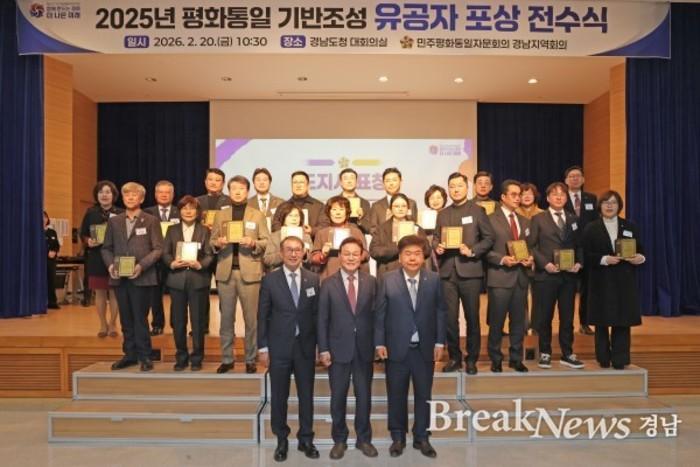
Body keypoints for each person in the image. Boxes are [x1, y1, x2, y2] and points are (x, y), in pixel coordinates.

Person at [375, 235, 446, 458]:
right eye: (407, 254)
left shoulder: (433, 279)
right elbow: (380, 314)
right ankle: (398, 437)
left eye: (417, 254)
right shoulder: (387, 279)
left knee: (424, 394)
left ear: (423, 257)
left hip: (424, 348)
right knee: (396, 394)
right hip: (396, 348)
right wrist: (379, 342)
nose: (412, 258)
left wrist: (439, 341)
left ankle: (422, 437)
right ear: (400, 257)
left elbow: (440, 311)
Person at [258, 235, 321, 462]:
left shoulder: (313, 279)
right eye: (289, 250)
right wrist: (263, 347)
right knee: (279, 396)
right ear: (281, 253)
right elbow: (262, 316)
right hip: (279, 347)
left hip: (305, 347)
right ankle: (281, 439)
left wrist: (319, 345)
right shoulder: (270, 280)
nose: (294, 254)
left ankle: (306, 439)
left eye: (297, 250)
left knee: (306, 395)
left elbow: (317, 315)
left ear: (304, 253)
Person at [318, 237, 378, 459]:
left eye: (355, 253)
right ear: (340, 256)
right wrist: (323, 348)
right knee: (338, 397)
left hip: (364, 349)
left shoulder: (372, 282)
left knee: (364, 397)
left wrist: (378, 344)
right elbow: (322, 319)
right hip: (337, 350)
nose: (351, 257)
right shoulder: (328, 283)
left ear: (362, 256)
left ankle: (364, 439)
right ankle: (339, 440)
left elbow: (377, 316)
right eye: (346, 253)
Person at [433, 172, 495, 374]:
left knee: (472, 318)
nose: (455, 189)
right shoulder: (443, 213)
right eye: (452, 186)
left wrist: (473, 250)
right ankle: (455, 358)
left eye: (459, 186)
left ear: (467, 187)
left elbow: (489, 238)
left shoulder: (477, 211)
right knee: (450, 319)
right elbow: (436, 238)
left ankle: (472, 359)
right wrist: (437, 247)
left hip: (470, 271)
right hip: (447, 273)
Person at [211, 175, 270, 374]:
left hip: (250, 272)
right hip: (226, 272)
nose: (237, 192)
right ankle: (227, 359)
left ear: (247, 191)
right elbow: (211, 242)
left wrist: (253, 243)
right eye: (234, 188)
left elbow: (266, 242)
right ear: (229, 191)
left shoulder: (257, 215)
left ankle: (250, 359)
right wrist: (218, 243)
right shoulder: (221, 215)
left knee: (251, 320)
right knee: (226, 319)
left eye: (241, 188)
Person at [102, 182, 163, 372]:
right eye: (126, 194)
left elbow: (158, 249)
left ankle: (145, 356)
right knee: (125, 318)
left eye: (134, 195)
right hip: (119, 277)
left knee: (140, 318)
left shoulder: (151, 220)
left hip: (142, 277)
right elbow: (106, 248)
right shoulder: (114, 221)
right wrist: (110, 265)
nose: (130, 197)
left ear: (141, 199)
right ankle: (129, 355)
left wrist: (141, 266)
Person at [582, 191, 645, 369]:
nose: (609, 206)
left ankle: (620, 358)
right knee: (601, 322)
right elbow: (585, 255)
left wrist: (639, 258)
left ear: (619, 206)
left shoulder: (629, 226)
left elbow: (641, 250)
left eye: (613, 203)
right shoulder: (591, 228)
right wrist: (604, 259)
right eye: (606, 202)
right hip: (601, 280)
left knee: (623, 321)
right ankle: (603, 357)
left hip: (624, 280)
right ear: (600, 206)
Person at [528, 182, 585, 370]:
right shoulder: (538, 219)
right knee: (545, 317)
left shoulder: (574, 219)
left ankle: (567, 353)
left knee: (567, 317)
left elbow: (579, 245)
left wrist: (579, 263)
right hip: (546, 276)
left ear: (567, 198)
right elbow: (532, 246)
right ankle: (545, 353)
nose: (559, 197)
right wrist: (545, 264)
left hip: (568, 277)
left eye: (562, 194)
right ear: (548, 198)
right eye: (555, 194)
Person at [161, 196, 214, 371]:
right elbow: (165, 252)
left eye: (192, 208)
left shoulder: (204, 230)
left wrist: (201, 264)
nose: (188, 211)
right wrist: (171, 263)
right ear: (179, 211)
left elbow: (210, 254)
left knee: (198, 322)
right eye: (185, 208)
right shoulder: (172, 230)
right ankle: (181, 357)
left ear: (198, 212)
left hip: (198, 280)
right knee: (178, 321)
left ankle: (197, 358)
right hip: (177, 280)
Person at [485, 180, 532, 373]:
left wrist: (530, 258)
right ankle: (495, 358)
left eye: (519, 194)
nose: (517, 198)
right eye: (513, 194)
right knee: (496, 322)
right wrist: (502, 259)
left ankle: (516, 358)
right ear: (503, 197)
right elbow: (484, 249)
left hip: (520, 277)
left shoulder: (525, 221)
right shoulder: (490, 219)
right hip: (500, 277)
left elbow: (531, 247)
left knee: (519, 322)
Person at [79, 180, 123, 337]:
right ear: (96, 195)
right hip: (96, 257)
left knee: (115, 292)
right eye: (101, 192)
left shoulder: (121, 213)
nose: (104, 195)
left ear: (113, 195)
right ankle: (103, 324)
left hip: (115, 257)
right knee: (100, 293)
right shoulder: (91, 213)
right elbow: (83, 233)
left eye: (108, 192)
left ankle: (113, 324)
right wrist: (88, 241)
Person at [196, 168, 232, 335]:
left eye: (217, 180)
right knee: (201, 292)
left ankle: (227, 327)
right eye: (210, 179)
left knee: (224, 293)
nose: (213, 183)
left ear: (223, 184)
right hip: (202, 252)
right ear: (205, 182)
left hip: (222, 251)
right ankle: (202, 326)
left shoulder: (230, 201)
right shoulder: (196, 202)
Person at [563, 166, 598, 336]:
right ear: (566, 181)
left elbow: (596, 222)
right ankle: (566, 325)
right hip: (568, 249)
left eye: (578, 176)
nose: (575, 179)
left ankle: (584, 323)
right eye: (571, 176)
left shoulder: (591, 198)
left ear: (583, 179)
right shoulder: (561, 198)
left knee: (587, 290)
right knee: (568, 290)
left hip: (588, 249)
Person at [144, 180, 180, 336]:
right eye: (161, 192)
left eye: (167, 192)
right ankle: (157, 324)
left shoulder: (180, 211)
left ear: (173, 194)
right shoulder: (147, 213)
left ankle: (176, 324)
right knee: (155, 295)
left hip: (174, 259)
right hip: (154, 260)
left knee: (176, 294)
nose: (164, 195)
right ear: (155, 194)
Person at [369, 193, 429, 281]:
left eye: (403, 206)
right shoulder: (381, 229)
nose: (400, 209)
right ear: (390, 209)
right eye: (396, 206)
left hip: (413, 274)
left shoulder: (416, 228)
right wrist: (398, 247)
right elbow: (374, 251)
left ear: (408, 209)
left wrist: (416, 245)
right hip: (388, 274)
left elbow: (427, 250)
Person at [310, 196, 368, 282]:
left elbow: (366, 254)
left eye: (341, 209)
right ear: (329, 212)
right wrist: (323, 255)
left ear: (347, 212)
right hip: (329, 276)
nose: (338, 213)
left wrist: (354, 255)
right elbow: (313, 258)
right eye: (334, 210)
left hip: (353, 277)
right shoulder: (321, 233)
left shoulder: (356, 232)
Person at [271, 171, 324, 239]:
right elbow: (275, 225)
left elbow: (324, 226)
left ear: (308, 185)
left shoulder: (319, 206)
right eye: (295, 182)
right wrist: (287, 231)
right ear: (291, 185)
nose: (298, 185)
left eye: (301, 182)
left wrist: (311, 231)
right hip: (285, 242)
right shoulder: (282, 206)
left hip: (312, 243)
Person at [318, 168, 372, 233]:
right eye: (346, 178)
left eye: (352, 178)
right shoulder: (333, 202)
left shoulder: (364, 203)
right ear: (341, 182)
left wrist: (360, 219)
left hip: (357, 237)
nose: (349, 181)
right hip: (336, 235)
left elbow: (369, 229)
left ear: (356, 182)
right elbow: (325, 224)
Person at [367, 168, 418, 236]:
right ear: (383, 184)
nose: (391, 183)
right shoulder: (376, 206)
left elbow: (415, 225)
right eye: (388, 181)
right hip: (384, 241)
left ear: (401, 182)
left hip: (407, 241)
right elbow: (372, 230)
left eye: (394, 180)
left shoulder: (411, 203)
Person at [263, 204, 312, 270]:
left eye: (296, 216)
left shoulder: (306, 236)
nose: (294, 219)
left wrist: (305, 255)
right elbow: (267, 259)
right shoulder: (274, 236)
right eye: (290, 216)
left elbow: (312, 259)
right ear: (283, 218)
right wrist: (282, 254)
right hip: (279, 273)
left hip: (301, 272)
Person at [422, 185, 448, 272]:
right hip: (429, 252)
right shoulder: (424, 216)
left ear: (444, 199)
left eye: (438, 197)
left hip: (445, 250)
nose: (435, 201)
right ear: (427, 200)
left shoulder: (449, 214)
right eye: (432, 198)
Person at [44, 211, 60, 309]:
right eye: (42, 217)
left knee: (51, 280)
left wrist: (54, 251)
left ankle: (52, 302)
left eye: (45, 217)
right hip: (41, 261)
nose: (44, 219)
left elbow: (56, 245)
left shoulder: (52, 232)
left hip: (51, 261)